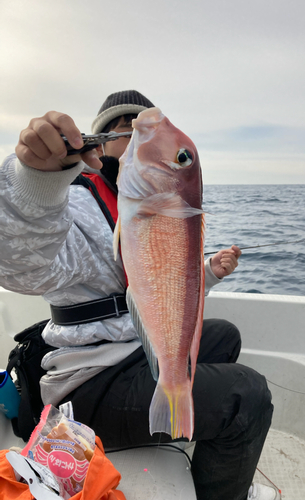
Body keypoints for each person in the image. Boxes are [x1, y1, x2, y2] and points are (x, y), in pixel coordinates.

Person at [0, 91, 277, 500]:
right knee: (247, 396)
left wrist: (207, 274)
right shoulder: (71, 200)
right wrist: (37, 184)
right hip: (87, 380)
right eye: (123, 131)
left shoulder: (139, 201)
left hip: (128, 351)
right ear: (96, 145)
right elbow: (24, 268)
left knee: (225, 335)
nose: (136, 137)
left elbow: (153, 280)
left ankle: (191, 441)